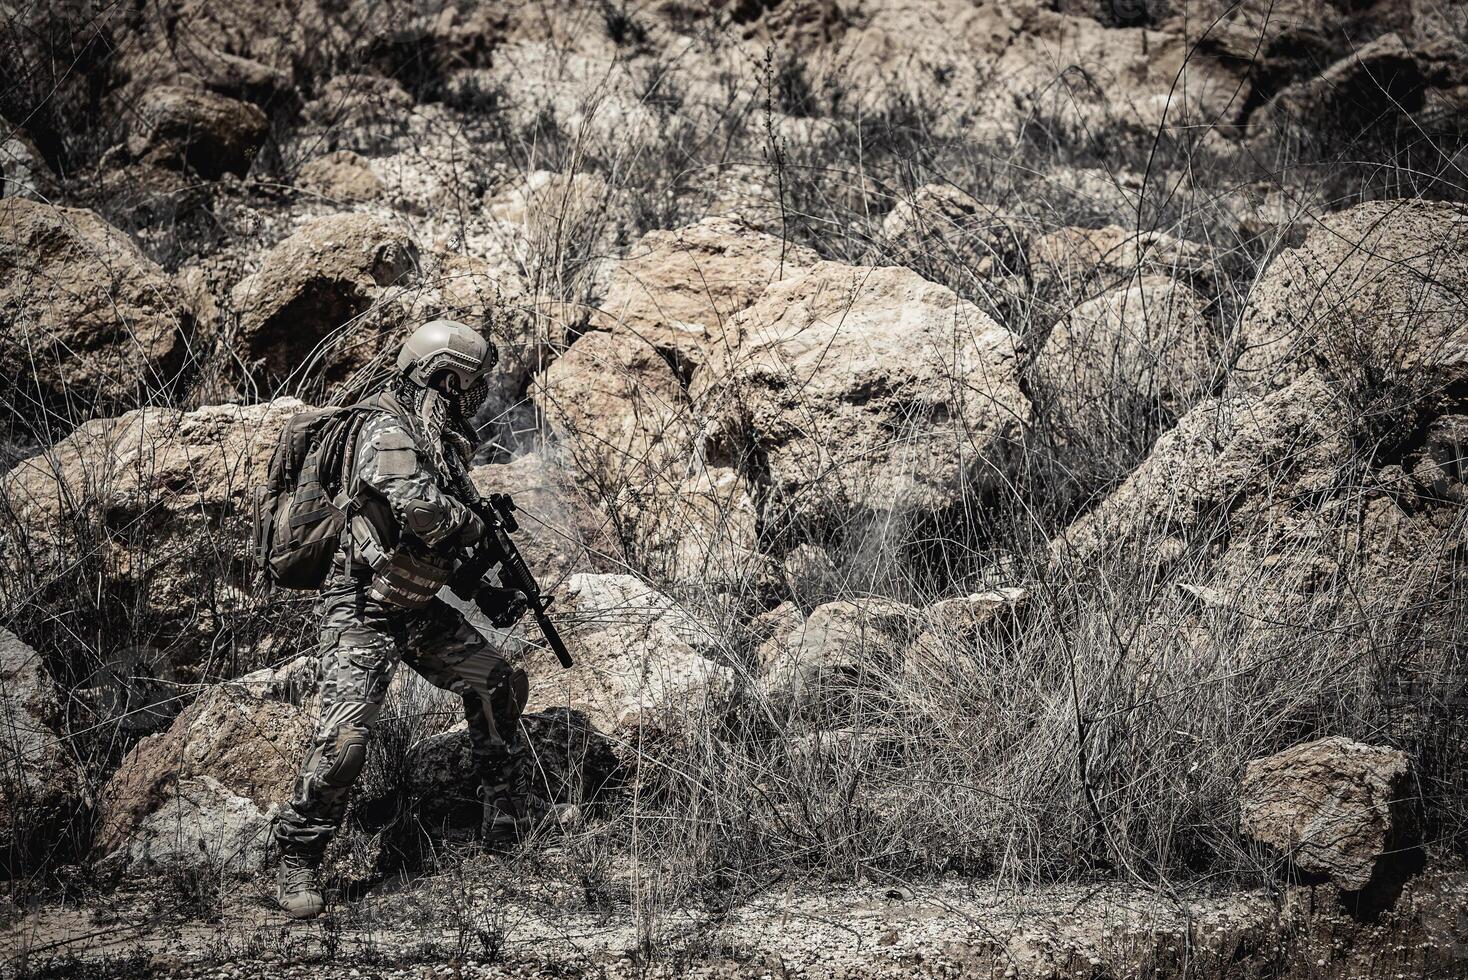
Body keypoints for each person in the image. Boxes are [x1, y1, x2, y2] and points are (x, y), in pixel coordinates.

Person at [274, 319, 547, 920]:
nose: (475, 398)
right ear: (444, 377)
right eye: (470, 384)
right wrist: (476, 527)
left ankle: (498, 805)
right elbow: (421, 510)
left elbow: (424, 549)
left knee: (496, 680)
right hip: (361, 611)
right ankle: (298, 857)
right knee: (346, 743)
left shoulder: (438, 438)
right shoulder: (388, 426)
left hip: (416, 609)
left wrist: (487, 587)